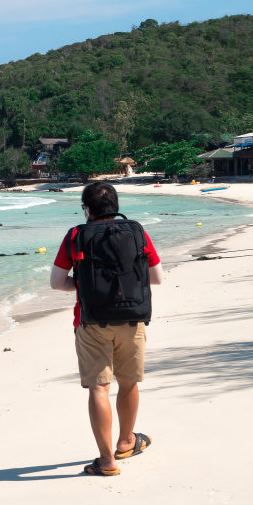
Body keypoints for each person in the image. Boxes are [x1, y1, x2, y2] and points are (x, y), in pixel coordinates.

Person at [49, 182, 163, 476]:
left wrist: (85, 286)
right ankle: (126, 441)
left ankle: (106, 460)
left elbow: (57, 282)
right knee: (128, 383)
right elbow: (157, 277)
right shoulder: (136, 231)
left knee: (99, 388)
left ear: (86, 208)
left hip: (91, 321)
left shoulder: (76, 235)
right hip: (133, 317)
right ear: (115, 206)